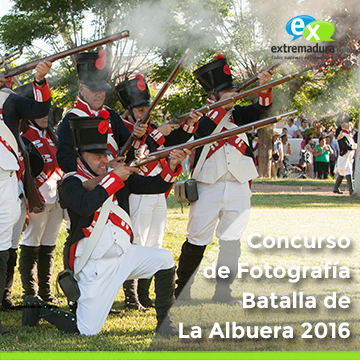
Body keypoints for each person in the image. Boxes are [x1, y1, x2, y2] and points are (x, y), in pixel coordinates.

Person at [22, 115, 190, 336]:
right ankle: (38, 307)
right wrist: (113, 178)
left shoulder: (113, 176)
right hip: (94, 264)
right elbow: (84, 206)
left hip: (124, 254)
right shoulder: (71, 181)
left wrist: (172, 164)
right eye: (97, 156)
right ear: (80, 158)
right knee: (86, 331)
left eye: (105, 155)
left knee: (165, 259)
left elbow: (155, 185)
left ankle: (164, 323)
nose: (103, 160)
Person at [174, 54, 274, 303]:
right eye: (227, 91)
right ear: (214, 95)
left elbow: (262, 109)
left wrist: (265, 85)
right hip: (209, 185)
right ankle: (182, 292)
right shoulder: (201, 118)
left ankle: (223, 292)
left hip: (239, 184)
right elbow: (202, 133)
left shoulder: (239, 114)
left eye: (233, 91)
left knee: (231, 240)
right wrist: (222, 107)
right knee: (197, 239)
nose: (232, 95)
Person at [115, 75, 201, 311]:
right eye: (140, 109)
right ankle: (131, 297)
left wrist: (190, 123)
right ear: (129, 111)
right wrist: (157, 134)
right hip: (137, 193)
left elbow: (178, 138)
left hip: (157, 192)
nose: (145, 114)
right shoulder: (123, 130)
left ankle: (144, 296)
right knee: (137, 243)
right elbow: (134, 157)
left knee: (154, 243)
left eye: (147, 109)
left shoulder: (152, 129)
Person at [0, 60, 52, 336]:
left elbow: (40, 108)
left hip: (5, 179)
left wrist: (40, 80)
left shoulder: (10, 100)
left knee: (3, 243)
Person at [56, 51, 146, 174]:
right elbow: (65, 161)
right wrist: (105, 167)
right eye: (94, 90)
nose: (99, 94)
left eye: (102, 90)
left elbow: (128, 150)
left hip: (115, 180)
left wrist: (137, 136)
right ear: (82, 89)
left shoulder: (112, 115)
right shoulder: (71, 118)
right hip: (88, 185)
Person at [18, 89, 63, 304]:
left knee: (49, 246)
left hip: (56, 199)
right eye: (40, 112)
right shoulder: (24, 136)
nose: (45, 115)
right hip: (37, 199)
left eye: (46, 111)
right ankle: (30, 293)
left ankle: (46, 292)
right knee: (31, 244)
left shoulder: (51, 135)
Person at [333, 115, 357, 194]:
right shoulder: (342, 134)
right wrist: (354, 147)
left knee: (343, 172)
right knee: (347, 171)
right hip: (344, 155)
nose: (350, 125)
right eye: (348, 123)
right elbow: (345, 146)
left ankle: (336, 187)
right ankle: (351, 189)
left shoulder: (349, 134)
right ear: (343, 125)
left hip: (349, 156)